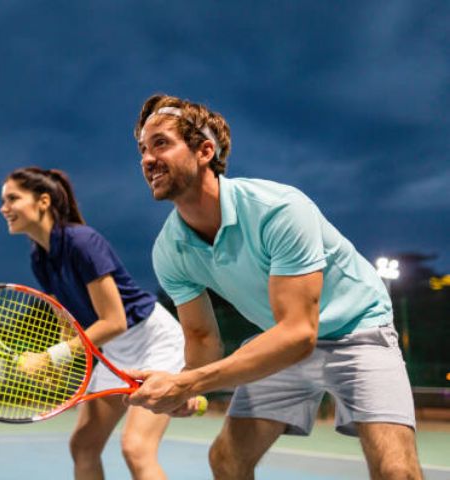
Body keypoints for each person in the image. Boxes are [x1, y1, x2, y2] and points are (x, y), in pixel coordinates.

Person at [127, 94, 422, 479]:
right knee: (227, 461)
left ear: (204, 151)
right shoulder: (169, 250)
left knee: (396, 470)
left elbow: (299, 332)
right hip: (281, 342)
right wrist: (186, 386)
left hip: (358, 331)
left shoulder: (279, 209)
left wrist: (186, 382)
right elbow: (202, 341)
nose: (147, 159)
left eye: (161, 143)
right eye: (143, 150)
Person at [0, 166, 198, 480]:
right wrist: (57, 367)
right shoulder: (39, 258)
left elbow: (114, 320)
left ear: (43, 201)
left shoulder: (82, 241)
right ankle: (183, 400)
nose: (4, 208)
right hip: (112, 349)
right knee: (83, 445)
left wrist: (52, 356)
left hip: (152, 337)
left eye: (12, 198)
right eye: (4, 201)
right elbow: (69, 323)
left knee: (136, 448)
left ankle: (182, 396)